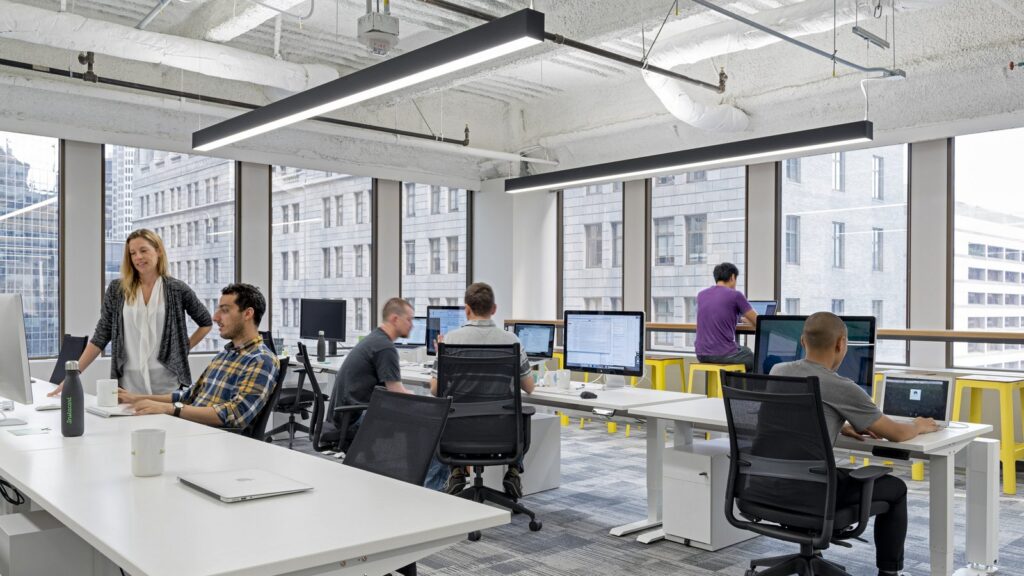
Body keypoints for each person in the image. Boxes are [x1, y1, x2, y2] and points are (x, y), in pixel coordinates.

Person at [769, 311, 939, 576]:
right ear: (840, 344)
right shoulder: (842, 386)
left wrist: (838, 424)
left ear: (803, 341)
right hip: (815, 494)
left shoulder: (777, 370)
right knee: (896, 488)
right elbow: (895, 434)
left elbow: (786, 423)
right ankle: (889, 572)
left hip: (768, 487)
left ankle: (811, 551)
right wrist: (918, 425)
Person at [49, 228, 211, 397]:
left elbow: (205, 322)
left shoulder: (176, 289)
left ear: (158, 251)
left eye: (143, 250)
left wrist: (182, 350)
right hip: (128, 384)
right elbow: (101, 336)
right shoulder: (117, 290)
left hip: (167, 385)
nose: (138, 257)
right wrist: (74, 374)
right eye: (132, 253)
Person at [119, 283, 279, 430]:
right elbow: (188, 396)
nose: (215, 317)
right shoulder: (225, 355)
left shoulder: (261, 360)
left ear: (248, 314)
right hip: (188, 427)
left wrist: (169, 409)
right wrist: (136, 397)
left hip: (211, 439)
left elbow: (234, 415)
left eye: (225, 310)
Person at [429, 282, 535, 497]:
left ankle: (457, 471)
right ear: (494, 309)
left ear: (467, 309)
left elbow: (434, 389)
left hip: (457, 435)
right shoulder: (512, 340)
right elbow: (529, 387)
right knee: (522, 412)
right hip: (501, 434)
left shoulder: (450, 341)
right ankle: (513, 471)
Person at [324, 298, 414, 446]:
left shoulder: (374, 339)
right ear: (395, 319)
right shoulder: (385, 347)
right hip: (355, 419)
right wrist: (419, 398)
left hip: (343, 416)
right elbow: (396, 392)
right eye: (409, 320)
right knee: (426, 425)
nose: (412, 325)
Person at [695, 262, 756, 372]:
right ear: (732, 277)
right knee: (753, 357)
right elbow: (757, 321)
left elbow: (718, 315)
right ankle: (745, 389)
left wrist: (741, 319)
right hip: (722, 353)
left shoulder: (701, 295)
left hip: (701, 354)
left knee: (738, 352)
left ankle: (728, 387)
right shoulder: (735, 295)